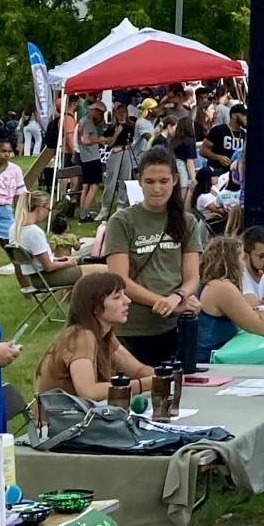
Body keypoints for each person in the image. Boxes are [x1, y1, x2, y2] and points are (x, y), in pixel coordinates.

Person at [102, 143, 201, 366]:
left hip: (174, 326)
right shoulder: (122, 221)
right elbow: (119, 279)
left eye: (164, 181)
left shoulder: (187, 221)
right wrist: (162, 302)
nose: (157, 188)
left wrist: (178, 297)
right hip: (131, 327)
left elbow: (193, 276)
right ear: (140, 181)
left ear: (175, 180)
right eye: (150, 182)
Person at [36, 272, 159, 402]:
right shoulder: (81, 336)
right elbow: (89, 392)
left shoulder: (103, 333)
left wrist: (168, 377)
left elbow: (137, 370)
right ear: (95, 307)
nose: (128, 301)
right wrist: (144, 384)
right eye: (117, 297)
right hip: (61, 420)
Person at [194, 234, 264, 355]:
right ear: (232, 261)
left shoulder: (213, 284)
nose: (245, 264)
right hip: (209, 359)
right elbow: (262, 328)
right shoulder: (221, 287)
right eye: (243, 258)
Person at [12, 190, 82, 286]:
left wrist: (58, 260)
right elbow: (49, 267)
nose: (48, 213)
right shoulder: (34, 232)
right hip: (47, 278)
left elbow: (38, 260)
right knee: (101, 272)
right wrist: (70, 263)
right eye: (48, 209)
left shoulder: (14, 229)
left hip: (33, 278)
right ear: (40, 208)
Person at [0, 131, 29, 271]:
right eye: (3, 151)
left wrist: (21, 217)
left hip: (6, 213)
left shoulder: (15, 170)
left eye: (9, 151)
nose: (7, 154)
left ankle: (27, 292)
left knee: (16, 257)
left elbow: (20, 195)